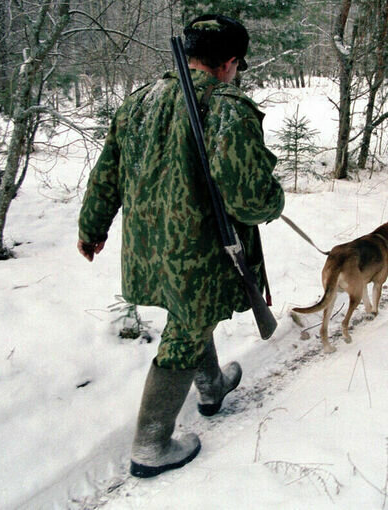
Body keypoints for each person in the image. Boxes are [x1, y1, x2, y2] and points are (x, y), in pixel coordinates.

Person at [77, 14, 285, 478]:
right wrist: (276, 200)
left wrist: (92, 227)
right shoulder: (228, 107)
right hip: (199, 250)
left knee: (191, 315)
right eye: (238, 65)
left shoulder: (139, 101)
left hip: (150, 245)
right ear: (230, 62)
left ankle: (211, 387)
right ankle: (151, 444)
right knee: (185, 329)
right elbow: (250, 200)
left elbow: (106, 174)